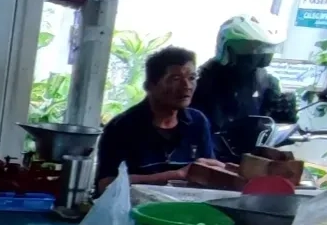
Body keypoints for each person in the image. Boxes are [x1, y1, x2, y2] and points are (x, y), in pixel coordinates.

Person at [94, 46, 218, 189]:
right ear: (150, 86)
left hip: (184, 208)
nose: (187, 85)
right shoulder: (122, 127)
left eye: (192, 78)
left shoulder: (198, 122)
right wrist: (175, 175)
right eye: (175, 79)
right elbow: (105, 185)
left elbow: (208, 172)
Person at [193, 14, 298, 158]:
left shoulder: (266, 81)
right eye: (255, 50)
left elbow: (270, 131)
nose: (261, 57)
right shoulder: (203, 81)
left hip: (249, 160)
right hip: (208, 160)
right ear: (230, 49)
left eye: (266, 51)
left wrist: (285, 118)